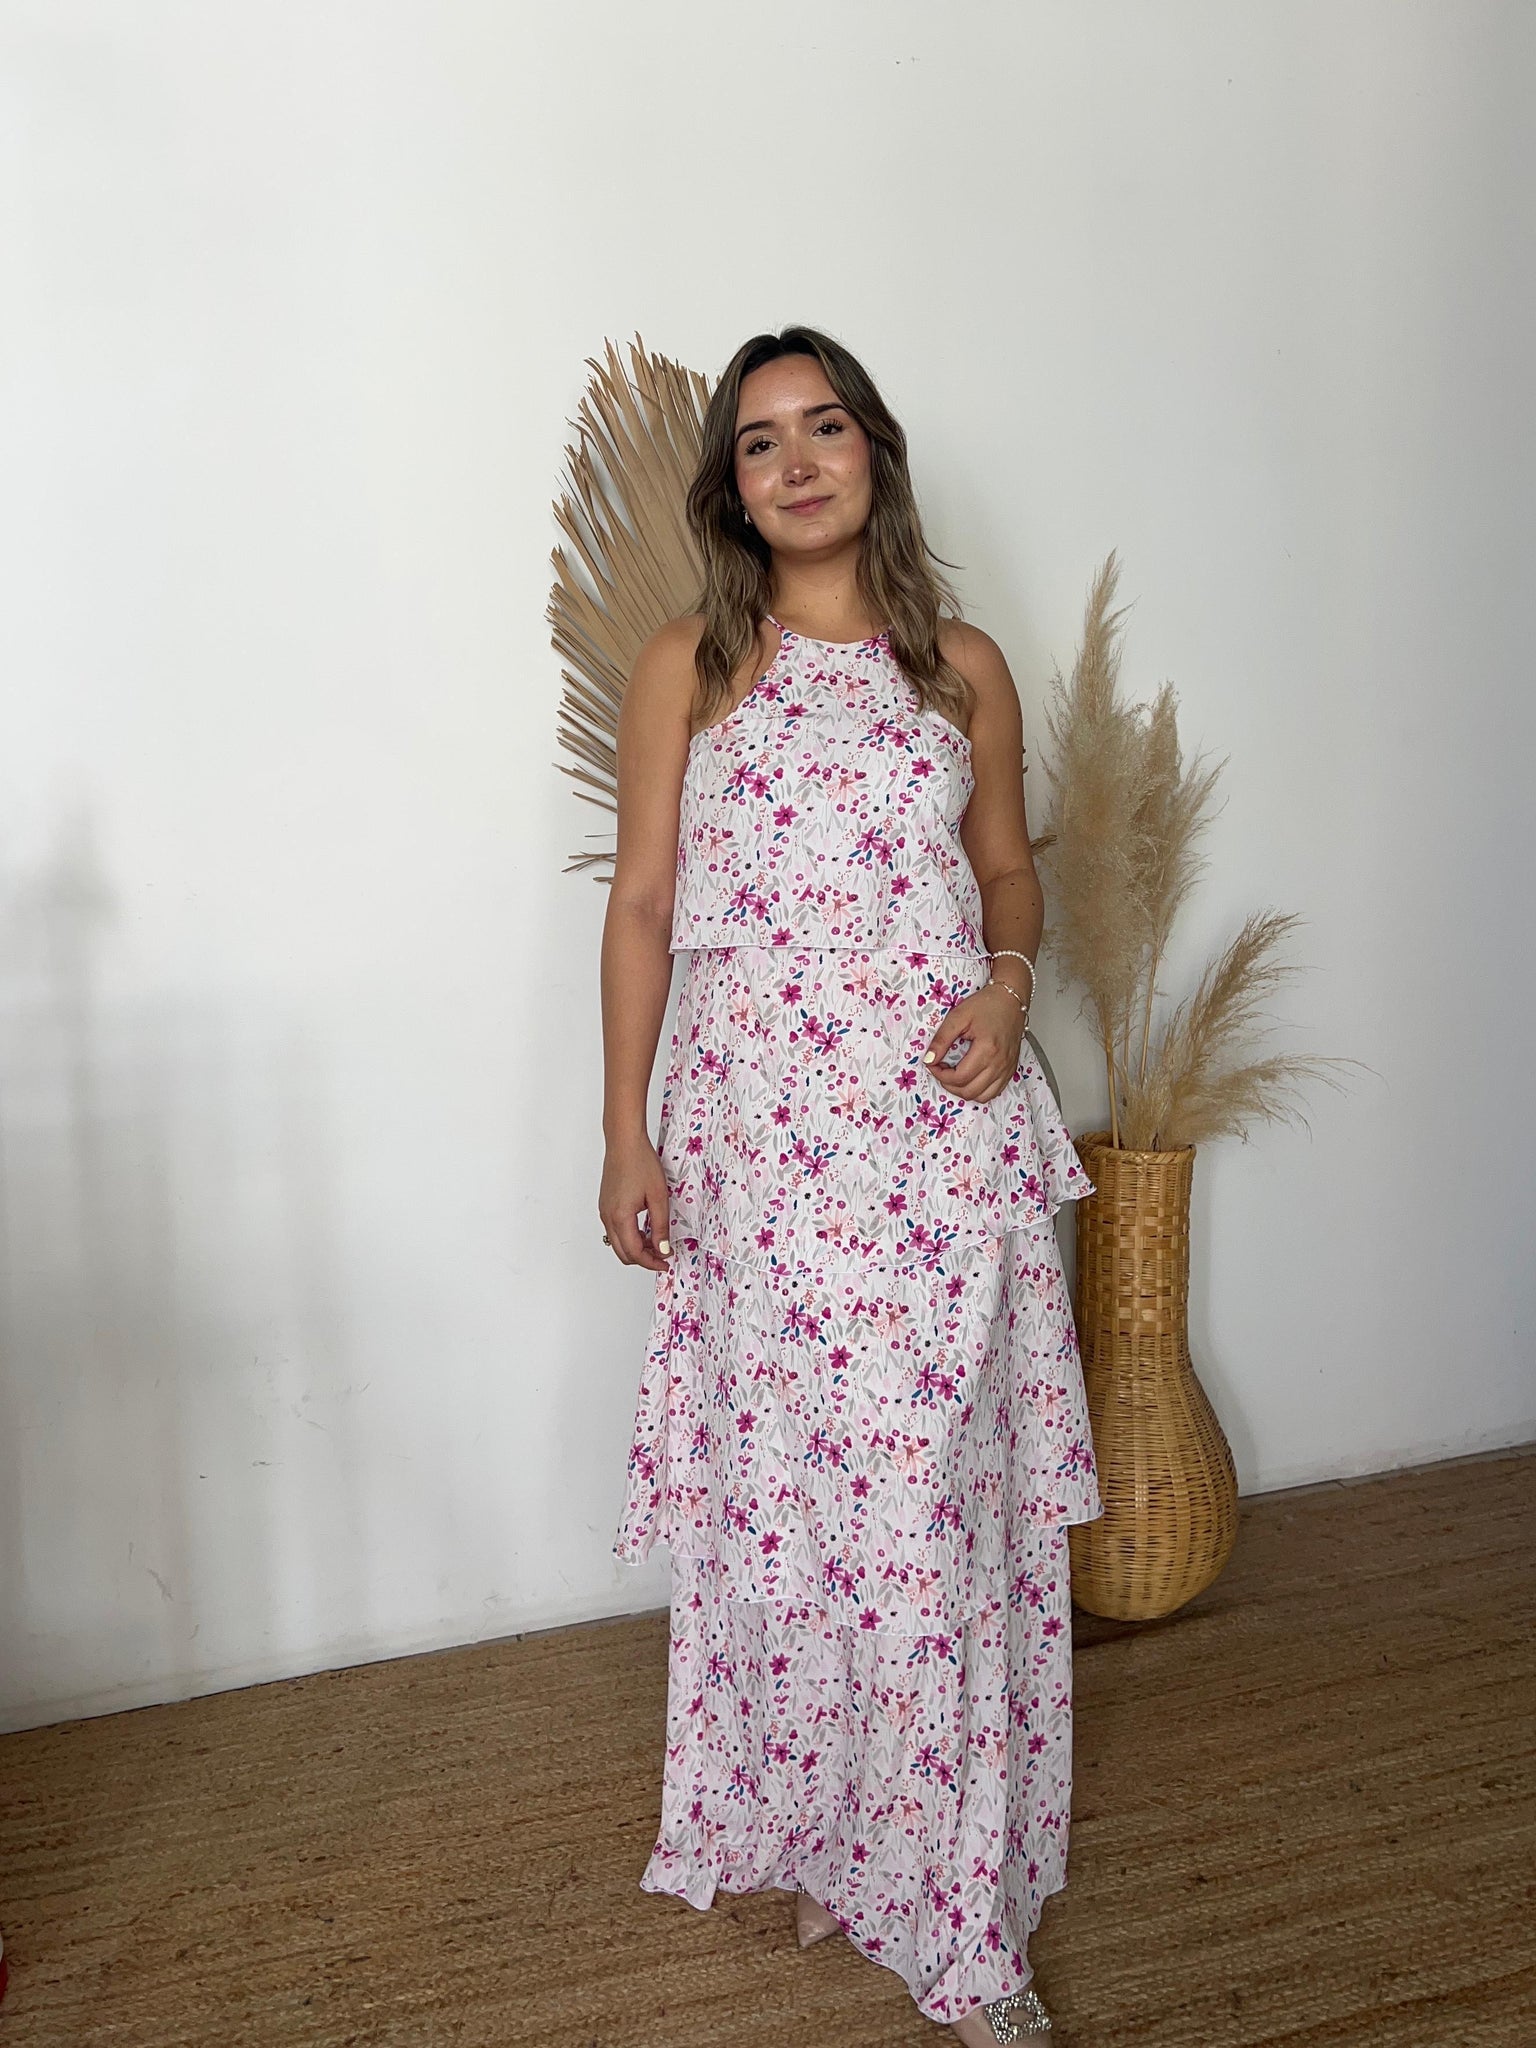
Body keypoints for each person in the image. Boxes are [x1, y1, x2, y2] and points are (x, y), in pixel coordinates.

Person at [599, 325, 1102, 2043]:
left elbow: (1009, 871)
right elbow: (644, 905)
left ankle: (963, 1925)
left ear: (874, 450)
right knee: (797, 1510)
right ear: (731, 486)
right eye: (761, 441)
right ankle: (843, 1834)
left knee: (930, 1516)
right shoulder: (692, 664)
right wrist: (625, 1131)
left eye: (825, 427)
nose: (798, 461)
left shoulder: (960, 664)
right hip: (760, 1151)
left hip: (939, 1143)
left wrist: (1010, 984)